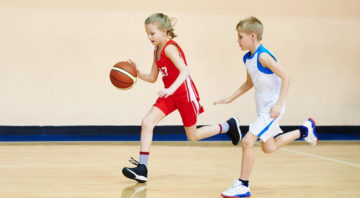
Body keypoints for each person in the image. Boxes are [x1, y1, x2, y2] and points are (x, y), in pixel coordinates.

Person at [122, 13, 241, 183]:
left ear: (164, 31)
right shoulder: (156, 50)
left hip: (185, 95)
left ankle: (228, 126)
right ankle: (142, 168)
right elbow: (152, 77)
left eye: (152, 33)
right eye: (147, 34)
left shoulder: (170, 48)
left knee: (192, 136)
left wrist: (170, 89)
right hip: (170, 95)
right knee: (147, 122)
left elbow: (185, 71)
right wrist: (137, 72)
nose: (149, 37)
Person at [214, 16, 318, 197]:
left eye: (240, 37)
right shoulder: (248, 58)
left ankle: (243, 185)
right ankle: (304, 130)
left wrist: (279, 104)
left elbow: (286, 77)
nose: (237, 40)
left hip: (272, 109)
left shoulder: (264, 56)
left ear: (252, 36)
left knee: (247, 141)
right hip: (263, 109)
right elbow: (249, 83)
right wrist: (229, 98)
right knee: (268, 147)